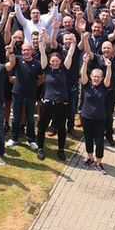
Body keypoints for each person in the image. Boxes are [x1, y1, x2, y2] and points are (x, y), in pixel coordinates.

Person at [36, 32, 75, 161]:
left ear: (60, 61)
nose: (54, 62)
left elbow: (70, 54)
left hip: (61, 104)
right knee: (42, 127)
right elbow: (42, 53)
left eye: (57, 61)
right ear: (50, 61)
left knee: (61, 129)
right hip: (47, 103)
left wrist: (73, 43)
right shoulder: (46, 68)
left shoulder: (65, 68)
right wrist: (41, 40)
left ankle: (61, 150)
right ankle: (40, 148)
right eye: (52, 61)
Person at [79, 52, 113, 174]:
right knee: (88, 139)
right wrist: (85, 62)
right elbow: (82, 73)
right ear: (91, 76)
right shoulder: (86, 85)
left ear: (101, 78)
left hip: (100, 118)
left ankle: (98, 163)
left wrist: (109, 66)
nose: (96, 78)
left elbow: (109, 78)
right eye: (94, 76)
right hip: (86, 117)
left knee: (99, 141)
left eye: (98, 77)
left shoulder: (104, 87)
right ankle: (90, 158)